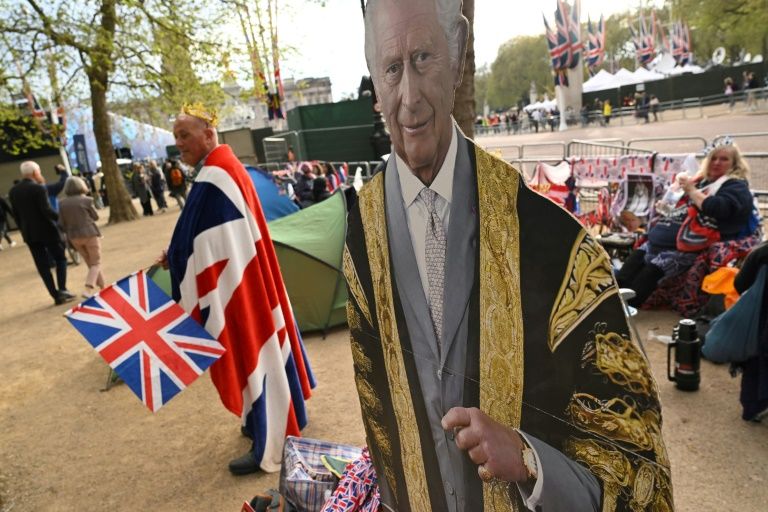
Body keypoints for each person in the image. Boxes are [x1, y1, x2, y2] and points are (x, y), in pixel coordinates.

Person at [342, 1, 673, 510]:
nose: (409, 97)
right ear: (374, 83)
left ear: (458, 55)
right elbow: (379, 415)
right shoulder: (361, 232)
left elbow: (636, 460)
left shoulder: (558, 246)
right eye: (391, 68)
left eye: (423, 58)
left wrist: (531, 460)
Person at [164, 103, 314, 476]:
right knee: (259, 344)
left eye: (185, 135)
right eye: (176, 136)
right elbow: (202, 235)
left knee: (253, 346)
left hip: (239, 282)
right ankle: (264, 416)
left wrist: (180, 256)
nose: (178, 143)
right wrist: (178, 252)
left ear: (208, 134)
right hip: (244, 276)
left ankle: (271, 436)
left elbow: (212, 241)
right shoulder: (221, 168)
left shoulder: (217, 176)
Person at [617, 141, 758, 308]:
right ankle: (611, 305)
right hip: (660, 240)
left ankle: (623, 311)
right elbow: (680, 209)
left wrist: (691, 190)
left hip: (684, 247)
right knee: (624, 274)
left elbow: (718, 208)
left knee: (643, 281)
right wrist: (667, 205)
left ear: (734, 164)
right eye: (713, 158)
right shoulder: (702, 181)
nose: (717, 162)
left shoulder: (736, 187)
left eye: (724, 159)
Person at [8, 161, 74, 305]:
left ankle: (55, 295)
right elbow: (46, 210)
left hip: (29, 234)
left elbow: (16, 215)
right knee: (60, 258)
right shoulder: (38, 188)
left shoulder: (13, 191)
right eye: (39, 171)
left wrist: (23, 231)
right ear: (35, 172)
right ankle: (62, 289)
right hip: (47, 230)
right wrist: (61, 219)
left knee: (42, 266)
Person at [732, 241, 768, 422]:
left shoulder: (762, 253)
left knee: (756, 361)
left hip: (761, 325)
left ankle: (754, 407)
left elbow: (740, 285)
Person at [58, 176, 104, 298]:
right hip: (89, 234)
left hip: (73, 237)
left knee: (91, 263)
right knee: (96, 262)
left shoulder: (61, 203)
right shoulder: (87, 200)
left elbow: (61, 223)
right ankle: (88, 289)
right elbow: (95, 217)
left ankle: (103, 287)